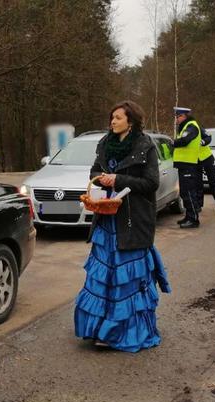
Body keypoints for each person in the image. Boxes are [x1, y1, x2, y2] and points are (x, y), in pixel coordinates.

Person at [74, 100, 171, 352]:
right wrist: (102, 179)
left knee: (126, 279)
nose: (113, 121)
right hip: (108, 219)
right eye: (112, 117)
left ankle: (122, 331)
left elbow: (151, 182)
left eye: (118, 117)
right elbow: (94, 171)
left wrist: (119, 179)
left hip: (133, 220)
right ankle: (98, 328)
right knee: (105, 276)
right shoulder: (106, 143)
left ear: (131, 120)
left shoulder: (145, 145)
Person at [171, 107, 201, 228]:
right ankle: (189, 216)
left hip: (189, 164)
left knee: (189, 192)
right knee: (185, 192)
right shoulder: (185, 126)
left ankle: (194, 219)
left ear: (184, 116)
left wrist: (173, 143)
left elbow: (185, 141)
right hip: (184, 164)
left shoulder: (191, 126)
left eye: (178, 117)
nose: (177, 119)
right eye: (176, 117)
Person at [195, 126, 215, 212]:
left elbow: (208, 137)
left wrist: (203, 141)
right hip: (195, 160)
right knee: (198, 183)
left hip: (207, 158)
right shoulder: (184, 131)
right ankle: (198, 205)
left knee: (213, 182)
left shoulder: (198, 128)